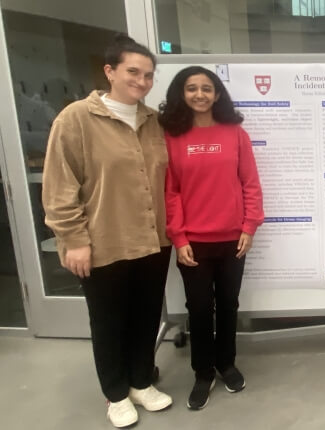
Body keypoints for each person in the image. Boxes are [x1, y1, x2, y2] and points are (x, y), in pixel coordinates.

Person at [42, 35, 173, 427]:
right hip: (102, 242)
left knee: (146, 315)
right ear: (109, 71)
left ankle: (140, 381)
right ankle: (115, 393)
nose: (142, 81)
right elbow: (59, 187)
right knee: (108, 320)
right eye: (133, 72)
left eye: (149, 75)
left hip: (153, 240)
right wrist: (74, 240)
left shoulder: (153, 122)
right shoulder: (76, 119)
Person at [158, 66, 264, 410]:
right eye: (192, 88)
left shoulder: (235, 133)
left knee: (229, 305)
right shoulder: (172, 136)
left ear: (217, 94)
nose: (200, 94)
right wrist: (179, 237)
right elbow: (169, 191)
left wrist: (249, 226)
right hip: (193, 243)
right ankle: (202, 372)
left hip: (234, 239)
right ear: (181, 93)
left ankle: (226, 363)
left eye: (207, 88)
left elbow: (250, 183)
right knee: (200, 308)